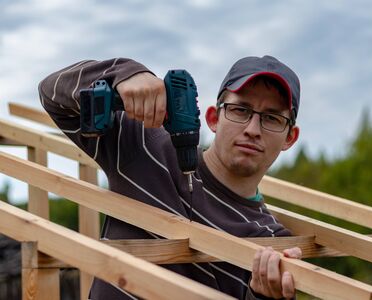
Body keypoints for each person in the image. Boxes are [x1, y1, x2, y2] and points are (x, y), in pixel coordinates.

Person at [39, 55, 302, 299]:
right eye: (240, 110)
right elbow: (51, 92)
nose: (253, 129)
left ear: (289, 138)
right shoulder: (147, 146)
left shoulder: (272, 243)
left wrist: (263, 296)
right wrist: (124, 74)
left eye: (272, 118)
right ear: (213, 118)